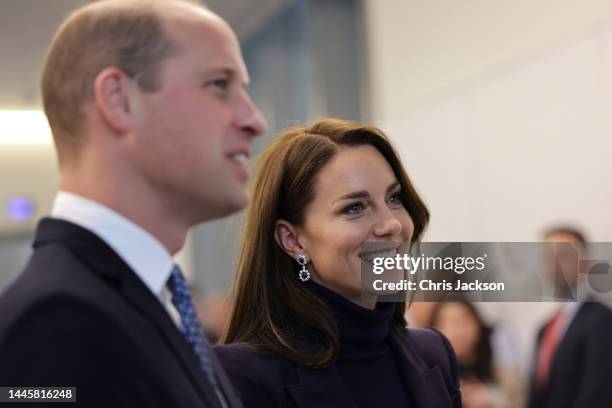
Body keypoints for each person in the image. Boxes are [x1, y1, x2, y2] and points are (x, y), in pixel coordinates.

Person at [0, 1, 266, 407]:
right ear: (119, 100)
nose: (254, 120)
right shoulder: (57, 323)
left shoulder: (157, 300)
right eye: (219, 84)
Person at [214, 118, 462, 407]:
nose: (392, 224)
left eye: (394, 198)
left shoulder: (434, 353)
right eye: (354, 207)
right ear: (293, 240)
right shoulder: (240, 375)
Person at [527, 227, 612, 408]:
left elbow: (597, 395)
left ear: (586, 261)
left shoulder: (602, 321)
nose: (554, 264)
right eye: (548, 257)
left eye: (563, 255)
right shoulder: (545, 329)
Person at [432, 299, 523, 408]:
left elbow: (519, 399)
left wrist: (490, 397)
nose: (459, 330)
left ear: (478, 324)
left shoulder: (498, 360)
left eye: (465, 321)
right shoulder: (431, 371)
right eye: (451, 322)